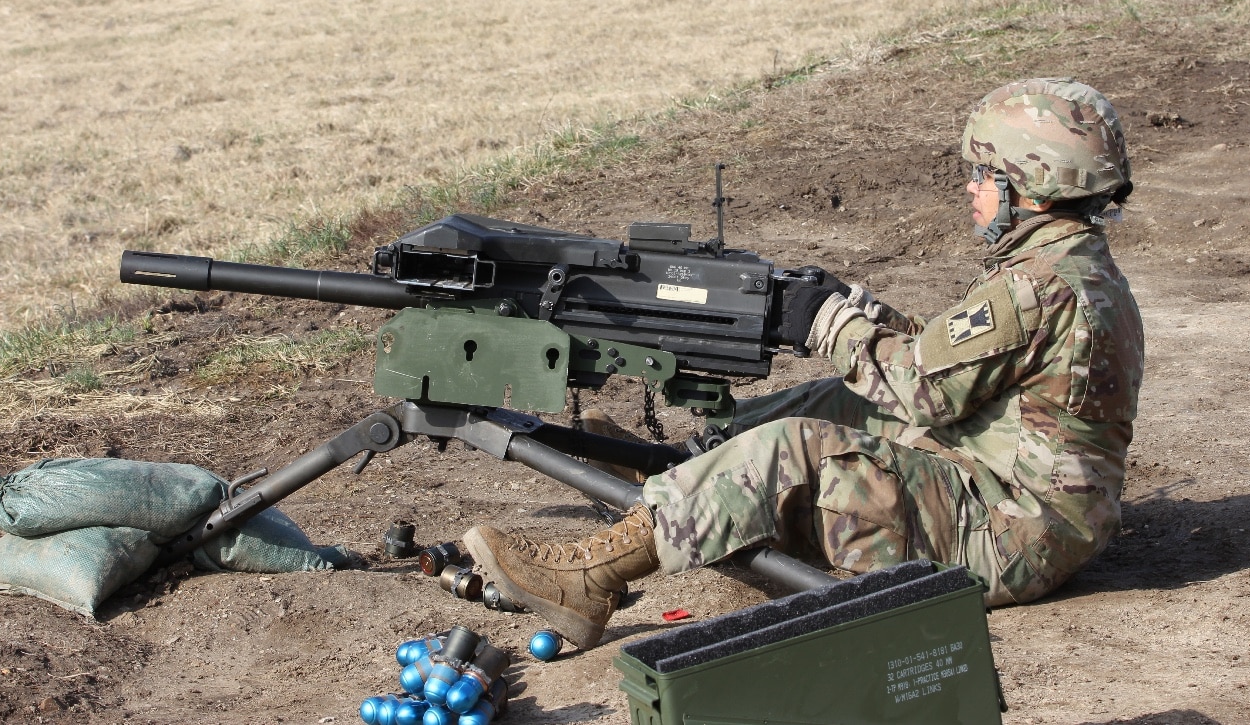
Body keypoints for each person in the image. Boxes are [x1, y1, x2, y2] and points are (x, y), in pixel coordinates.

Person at [464, 78, 1145, 649]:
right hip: (1024, 505)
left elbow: (925, 391)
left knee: (795, 447)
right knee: (841, 401)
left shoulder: (1037, 286)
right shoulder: (1069, 269)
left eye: (984, 173)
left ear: (1030, 184)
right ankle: (686, 474)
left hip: (1011, 535)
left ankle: (591, 579)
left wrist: (827, 322)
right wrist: (859, 311)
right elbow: (950, 369)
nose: (971, 187)